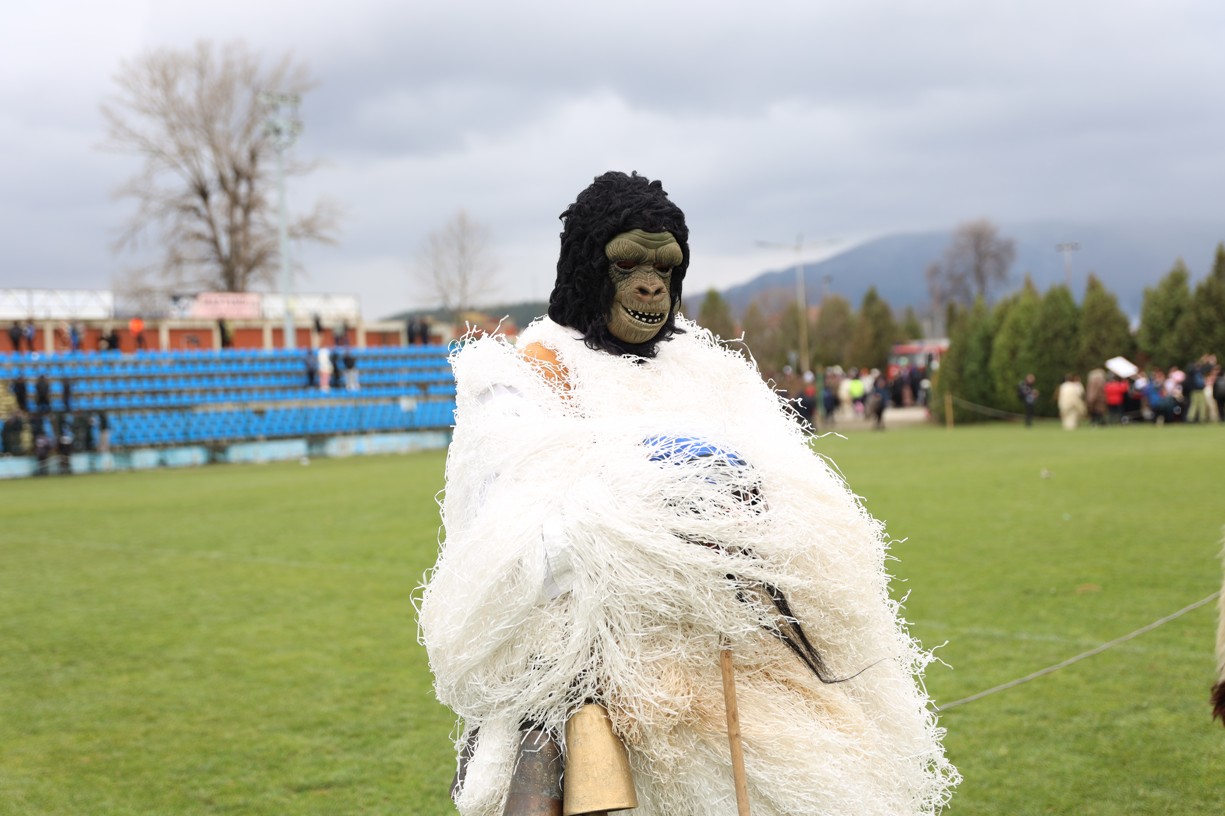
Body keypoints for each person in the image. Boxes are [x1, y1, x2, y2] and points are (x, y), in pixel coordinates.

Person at [419, 171, 956, 816]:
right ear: (588, 265)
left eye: (665, 267)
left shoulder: (714, 374)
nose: (651, 285)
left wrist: (743, 504)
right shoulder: (527, 377)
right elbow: (505, 561)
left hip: (743, 690)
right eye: (629, 264)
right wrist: (647, 496)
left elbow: (819, 524)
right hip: (594, 703)